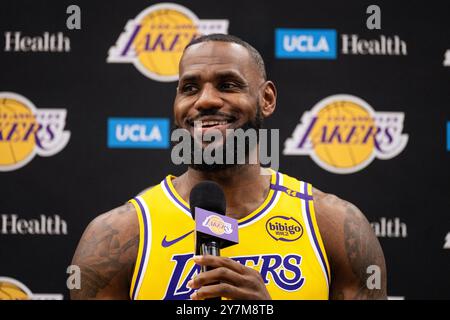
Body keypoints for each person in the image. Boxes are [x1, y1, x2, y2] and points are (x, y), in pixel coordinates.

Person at [70, 34, 387, 300]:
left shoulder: (333, 225)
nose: (205, 100)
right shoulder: (119, 236)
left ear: (267, 99)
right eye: (190, 88)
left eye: (228, 85)